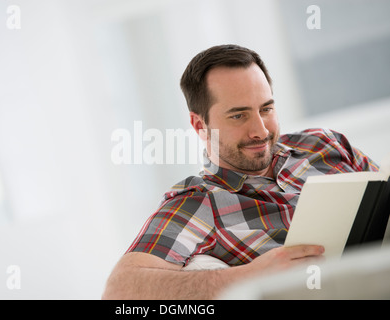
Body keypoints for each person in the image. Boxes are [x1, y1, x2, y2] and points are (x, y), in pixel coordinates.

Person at [102, 44, 379, 300]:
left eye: (266, 109)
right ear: (200, 125)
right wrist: (250, 277)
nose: (260, 131)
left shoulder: (324, 144)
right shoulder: (198, 203)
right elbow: (119, 291)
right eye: (238, 115)